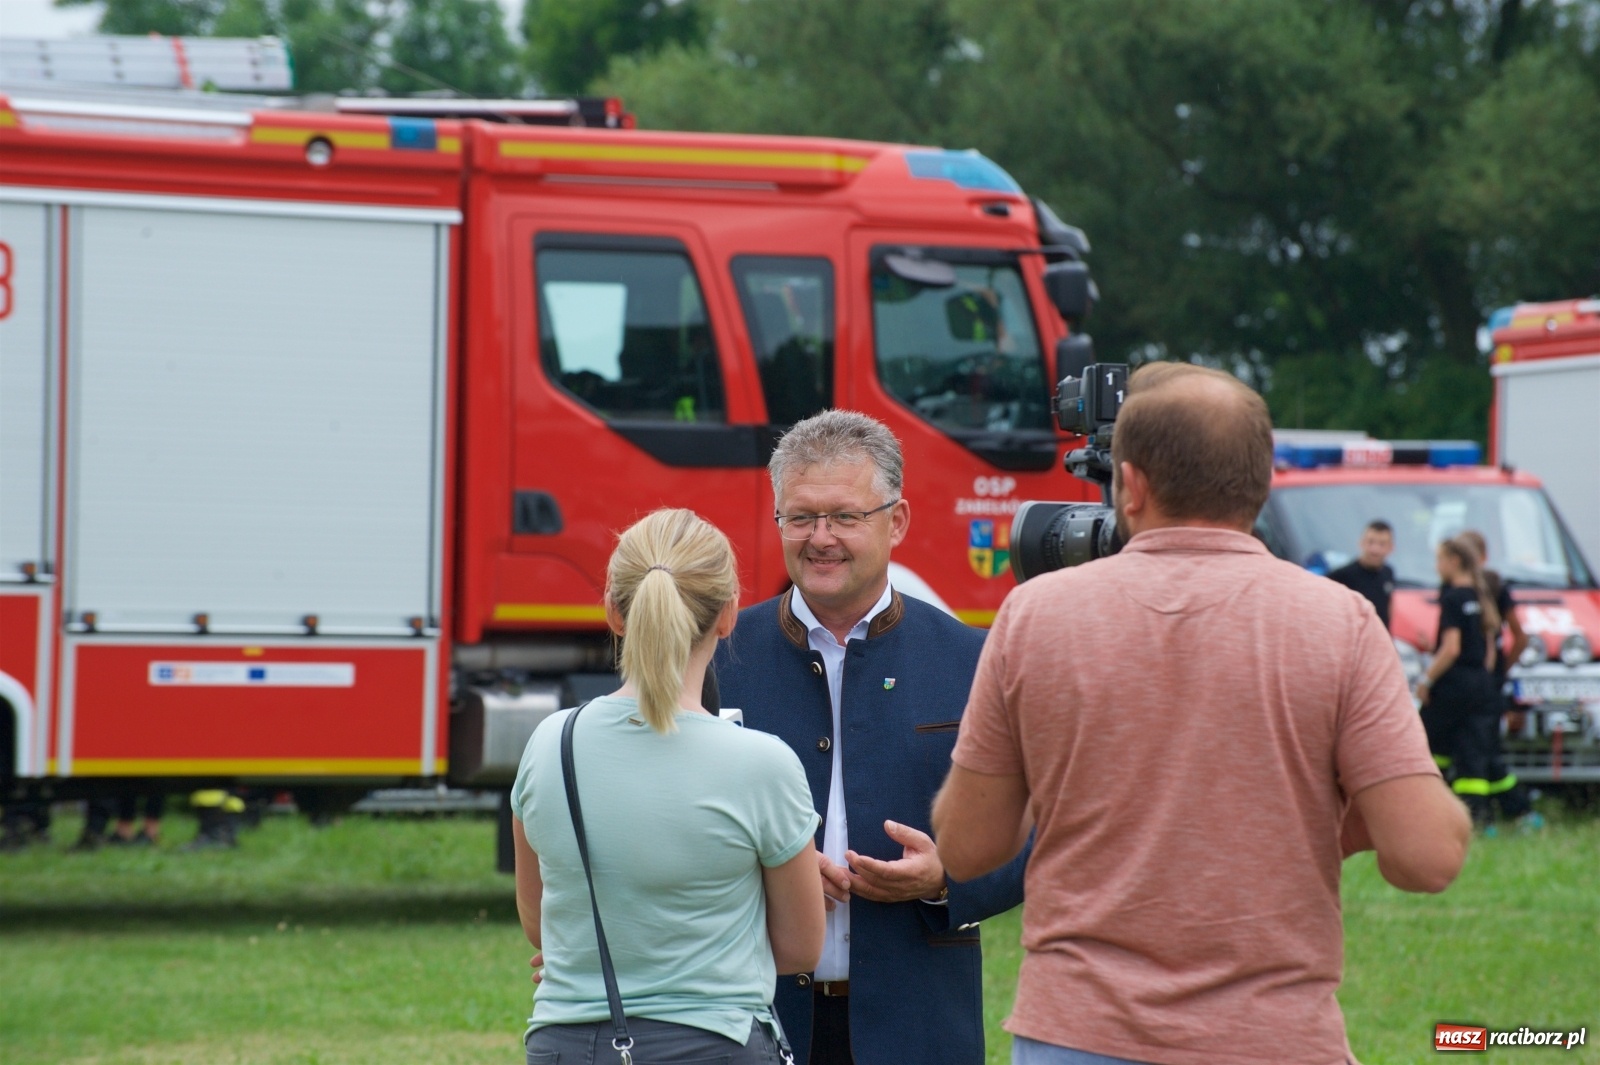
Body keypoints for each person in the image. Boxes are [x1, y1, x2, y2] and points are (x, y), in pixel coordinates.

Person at [933, 362, 1469, 1065]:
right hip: (1273, 1037)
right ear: (1261, 482)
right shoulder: (1340, 621)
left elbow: (967, 846)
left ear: (1131, 484)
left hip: (1079, 1031)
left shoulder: (1036, 614)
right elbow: (1428, 855)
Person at [714, 409, 1027, 1065]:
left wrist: (946, 877)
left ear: (898, 520)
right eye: (801, 517)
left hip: (919, 1030)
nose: (820, 538)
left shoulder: (974, 660)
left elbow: (1040, 830)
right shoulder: (718, 660)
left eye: (845, 516)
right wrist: (762, 870)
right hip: (750, 1027)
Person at [511, 508, 825, 1065]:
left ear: (614, 612)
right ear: (728, 615)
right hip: (713, 1044)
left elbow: (542, 925)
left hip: (567, 1045)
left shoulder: (551, 743)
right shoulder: (762, 763)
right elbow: (801, 949)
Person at [1327, 519, 1397, 630]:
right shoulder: (1341, 576)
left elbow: (1388, 606)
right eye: (1370, 542)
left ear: (1391, 548)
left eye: (1382, 544)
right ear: (1361, 543)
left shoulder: (1388, 573)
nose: (1375, 549)